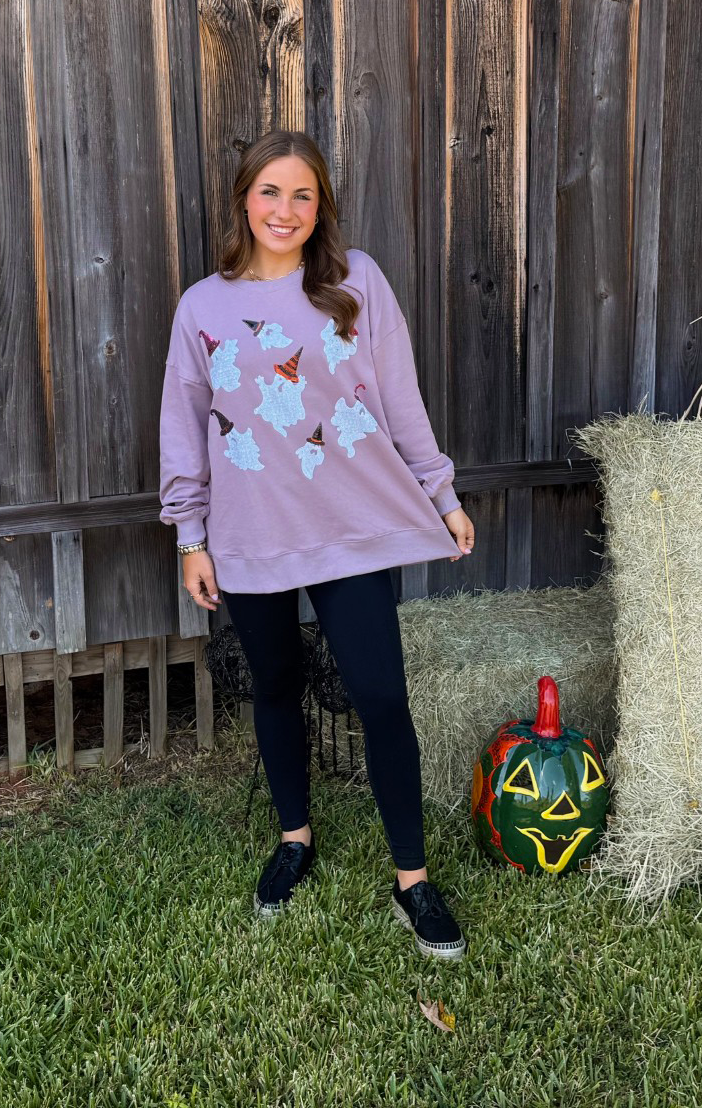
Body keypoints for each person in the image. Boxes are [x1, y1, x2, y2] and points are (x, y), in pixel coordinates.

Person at [159, 130, 476, 961]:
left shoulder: (354, 281)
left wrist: (440, 493)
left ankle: (412, 880)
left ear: (320, 206)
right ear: (243, 200)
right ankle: (294, 838)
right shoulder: (201, 307)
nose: (285, 210)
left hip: (352, 528)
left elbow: (400, 399)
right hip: (250, 535)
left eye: (303, 195)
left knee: (380, 697)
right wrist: (190, 537)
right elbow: (183, 429)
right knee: (274, 687)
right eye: (270, 191)